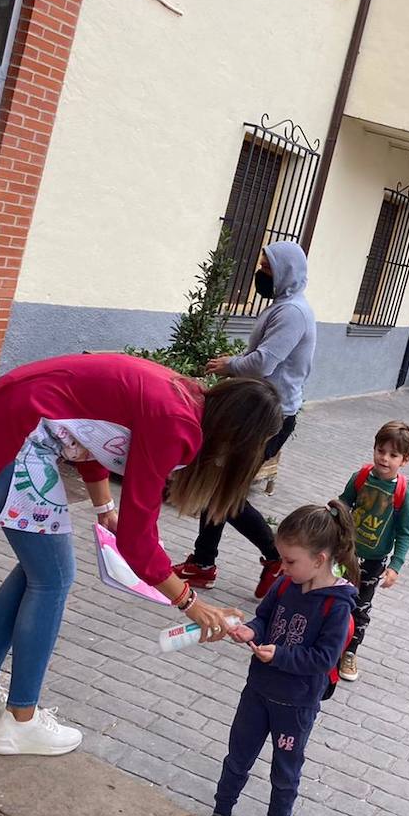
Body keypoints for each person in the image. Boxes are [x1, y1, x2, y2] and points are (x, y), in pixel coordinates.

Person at [0, 353, 280, 757]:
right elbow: (136, 540)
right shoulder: (177, 423)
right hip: (15, 437)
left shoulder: (186, 398)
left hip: (9, 427)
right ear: (240, 436)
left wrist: (103, 508)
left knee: (35, 573)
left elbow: (88, 434)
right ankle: (20, 721)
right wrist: (190, 603)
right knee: (53, 579)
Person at [212, 500, 358, 816]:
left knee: (285, 771)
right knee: (237, 757)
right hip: (258, 690)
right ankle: (219, 814)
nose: (284, 567)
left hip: (296, 705)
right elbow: (264, 618)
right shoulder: (284, 583)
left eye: (291, 561)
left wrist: (280, 654)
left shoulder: (336, 605)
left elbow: (324, 658)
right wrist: (251, 630)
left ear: (319, 560)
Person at [175, 242, 315, 598]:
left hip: (269, 417)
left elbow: (265, 362)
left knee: (227, 489)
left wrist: (230, 365)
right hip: (255, 411)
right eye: (262, 265)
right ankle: (203, 563)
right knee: (219, 482)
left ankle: (273, 557)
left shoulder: (292, 313)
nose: (261, 274)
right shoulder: (284, 307)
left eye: (268, 269)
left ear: (285, 273)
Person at [335, 420, 409, 683]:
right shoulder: (360, 478)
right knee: (330, 596)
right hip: (344, 552)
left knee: (360, 607)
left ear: (405, 460)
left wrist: (395, 566)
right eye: (380, 451)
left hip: (372, 562)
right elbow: (343, 504)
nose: (384, 458)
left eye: (393, 455)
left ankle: (349, 651)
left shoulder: (404, 494)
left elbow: (405, 534)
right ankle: (322, 641)